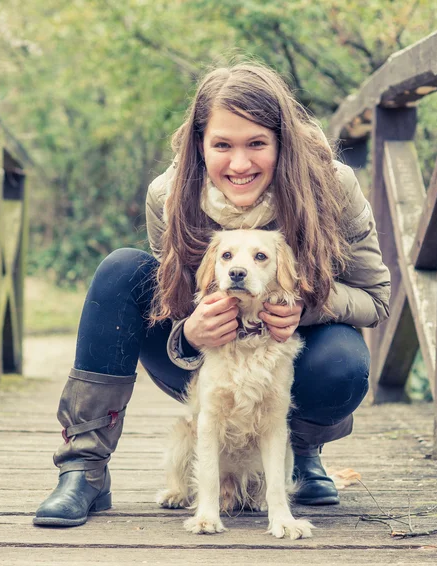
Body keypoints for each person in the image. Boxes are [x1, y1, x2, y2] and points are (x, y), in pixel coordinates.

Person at [33, 62, 390, 528]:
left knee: (343, 362)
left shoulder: (332, 186)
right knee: (121, 268)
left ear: (282, 142)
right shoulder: (169, 194)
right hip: (204, 359)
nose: (239, 165)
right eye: (222, 145)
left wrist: (306, 309)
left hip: (290, 355)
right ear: (200, 145)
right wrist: (189, 330)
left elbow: (376, 298)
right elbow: (173, 290)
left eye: (257, 144)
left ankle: (301, 450)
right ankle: (84, 467)